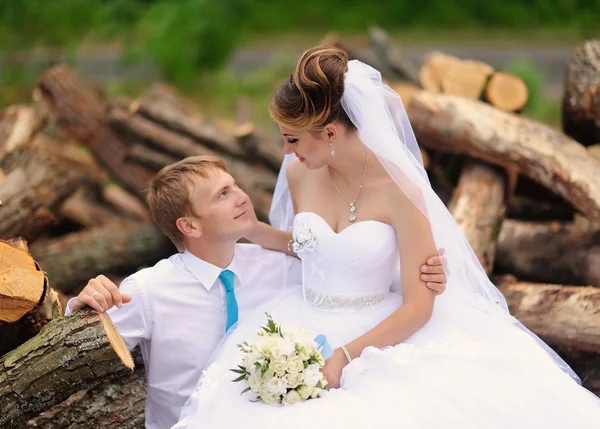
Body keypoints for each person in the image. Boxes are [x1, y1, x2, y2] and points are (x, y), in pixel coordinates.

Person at [173, 46, 600, 429]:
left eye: (292, 139)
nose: (286, 152)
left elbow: (419, 306)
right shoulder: (301, 173)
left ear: (331, 133)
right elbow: (312, 252)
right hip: (302, 323)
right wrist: (253, 231)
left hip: (382, 331)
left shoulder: (400, 191)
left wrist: (344, 355)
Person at [65, 156, 448, 429]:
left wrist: (427, 270)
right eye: (221, 196)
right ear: (189, 226)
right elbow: (73, 350)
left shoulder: (277, 268)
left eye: (234, 187)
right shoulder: (149, 291)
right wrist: (80, 306)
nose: (242, 197)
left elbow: (351, 272)